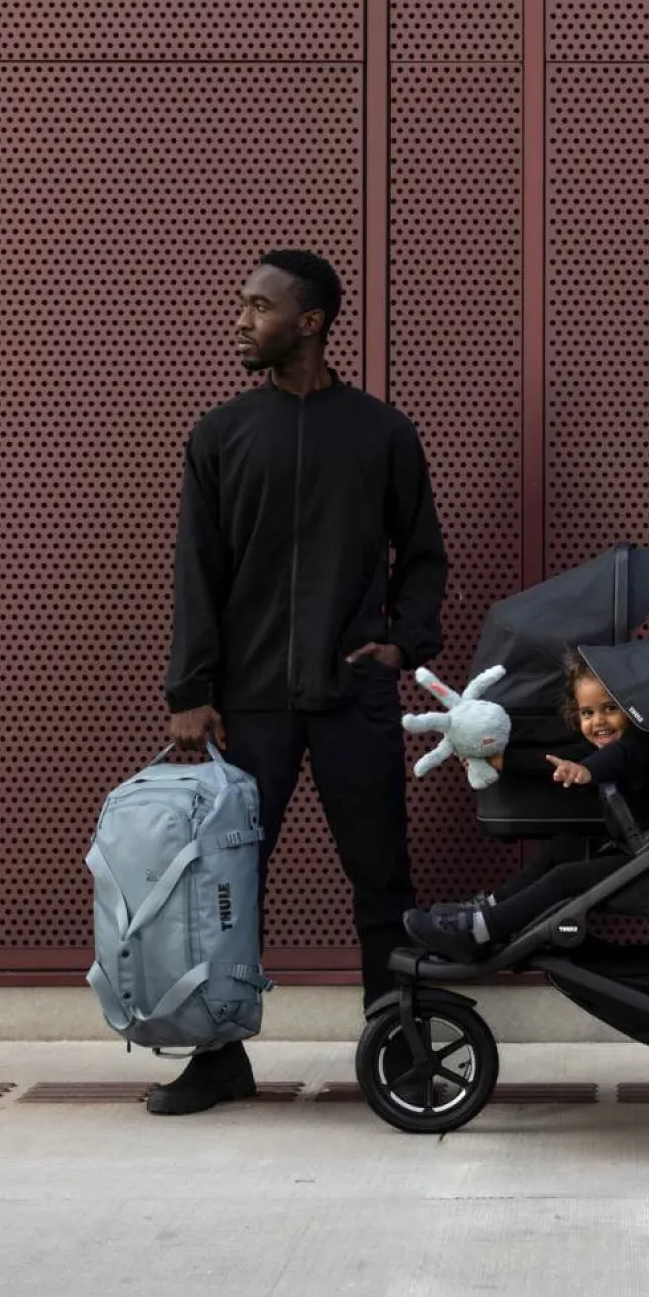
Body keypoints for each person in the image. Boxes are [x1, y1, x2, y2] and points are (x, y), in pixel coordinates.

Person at [154, 249, 447, 1115]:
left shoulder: (382, 433)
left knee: (382, 880)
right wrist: (190, 690)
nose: (240, 319)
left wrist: (400, 644)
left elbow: (423, 556)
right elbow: (196, 570)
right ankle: (219, 1056)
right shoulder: (220, 434)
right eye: (242, 303)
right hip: (249, 704)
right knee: (224, 886)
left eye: (259, 306)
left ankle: (400, 1052)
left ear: (310, 322)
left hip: (352, 694)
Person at [402, 655, 649, 962]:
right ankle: (488, 908)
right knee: (565, 847)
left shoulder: (641, 744)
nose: (598, 721)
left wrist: (585, 771)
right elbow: (559, 759)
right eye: (587, 713)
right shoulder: (605, 746)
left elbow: (618, 757)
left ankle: (479, 933)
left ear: (631, 709)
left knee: (566, 879)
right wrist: (502, 761)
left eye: (610, 709)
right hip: (646, 853)